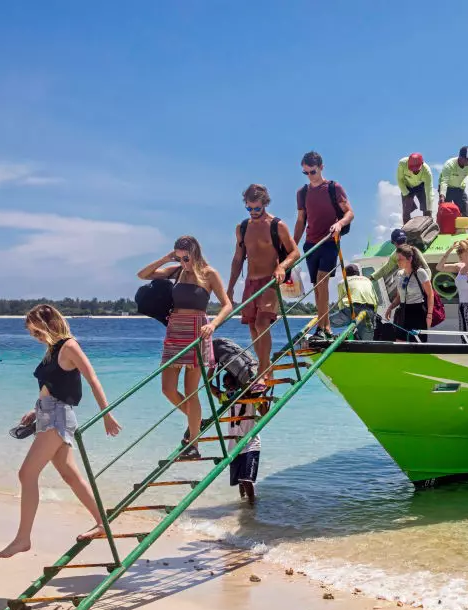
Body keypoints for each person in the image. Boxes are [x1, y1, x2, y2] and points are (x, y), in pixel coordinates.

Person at [0, 305, 122, 558]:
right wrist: (35, 409)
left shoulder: (69, 346)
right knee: (70, 475)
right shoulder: (52, 350)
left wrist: (107, 414)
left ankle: (22, 539)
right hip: (46, 414)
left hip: (57, 417)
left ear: (48, 324)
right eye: (32, 334)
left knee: (26, 474)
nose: (36, 337)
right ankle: (102, 523)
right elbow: (51, 386)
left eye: (37, 331)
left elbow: (92, 378)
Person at [138, 236, 233, 457]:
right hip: (175, 331)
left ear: (195, 253)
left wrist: (214, 325)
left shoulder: (209, 273)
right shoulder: (176, 271)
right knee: (167, 389)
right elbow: (142, 275)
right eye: (179, 257)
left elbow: (227, 304)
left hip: (198, 330)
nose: (183, 261)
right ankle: (196, 424)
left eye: (186, 257)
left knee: (191, 392)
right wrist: (166, 259)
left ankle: (194, 444)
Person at [228, 184, 300, 391]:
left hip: (270, 281)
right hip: (250, 282)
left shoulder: (277, 225)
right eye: (249, 209)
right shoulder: (242, 228)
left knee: (261, 324)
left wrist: (281, 266)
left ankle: (262, 371)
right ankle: (266, 367)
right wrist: (230, 287)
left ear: (265, 204)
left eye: (257, 208)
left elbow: (294, 252)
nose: (253, 213)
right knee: (252, 326)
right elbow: (238, 258)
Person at [294, 151, 354, 343]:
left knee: (322, 280)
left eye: (312, 171)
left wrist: (339, 224)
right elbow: (301, 220)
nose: (309, 176)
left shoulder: (333, 188)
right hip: (310, 243)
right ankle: (325, 327)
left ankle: (322, 327)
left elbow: (350, 213)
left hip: (329, 240)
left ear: (321, 168)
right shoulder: (302, 193)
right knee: (317, 288)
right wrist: (292, 248)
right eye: (305, 173)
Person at [223, 372, 261, 505]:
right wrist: (211, 370)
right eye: (226, 386)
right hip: (234, 445)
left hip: (250, 443)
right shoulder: (226, 398)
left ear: (238, 385)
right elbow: (212, 389)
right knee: (240, 481)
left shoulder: (250, 399)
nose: (229, 389)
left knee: (246, 480)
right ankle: (244, 505)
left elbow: (264, 411)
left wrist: (259, 396)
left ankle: (252, 507)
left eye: (231, 385)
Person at [386, 244, 434, 343]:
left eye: (400, 259)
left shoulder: (420, 273)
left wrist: (429, 315)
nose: (397, 261)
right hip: (402, 312)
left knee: (417, 344)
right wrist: (390, 308)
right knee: (400, 343)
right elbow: (399, 297)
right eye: (397, 259)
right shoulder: (399, 274)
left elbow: (430, 294)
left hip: (417, 312)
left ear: (410, 259)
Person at [336, 264, 378, 340]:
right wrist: (374, 314)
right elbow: (376, 299)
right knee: (367, 332)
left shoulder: (342, 282)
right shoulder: (367, 280)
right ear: (358, 273)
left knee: (331, 322)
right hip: (370, 309)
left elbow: (341, 304)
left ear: (345, 274)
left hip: (353, 309)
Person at [397, 153, 434, 224]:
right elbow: (400, 180)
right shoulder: (402, 163)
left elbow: (429, 190)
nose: (414, 171)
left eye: (416, 170)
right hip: (407, 186)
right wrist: (406, 193)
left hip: (420, 186)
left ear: (422, 164)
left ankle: (428, 226)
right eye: (412, 169)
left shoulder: (427, 171)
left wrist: (429, 208)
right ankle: (406, 231)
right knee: (406, 209)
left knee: (427, 208)